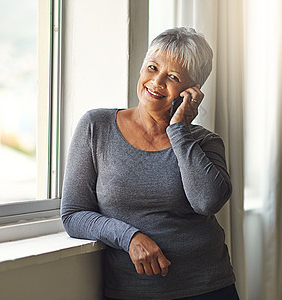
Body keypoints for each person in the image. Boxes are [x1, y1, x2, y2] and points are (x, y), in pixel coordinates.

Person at [61, 27, 239, 300]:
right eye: (152, 68)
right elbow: (73, 214)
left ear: (192, 91)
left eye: (173, 76)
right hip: (132, 291)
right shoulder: (96, 127)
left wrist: (179, 129)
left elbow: (207, 202)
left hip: (208, 287)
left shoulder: (205, 142)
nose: (156, 82)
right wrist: (129, 237)